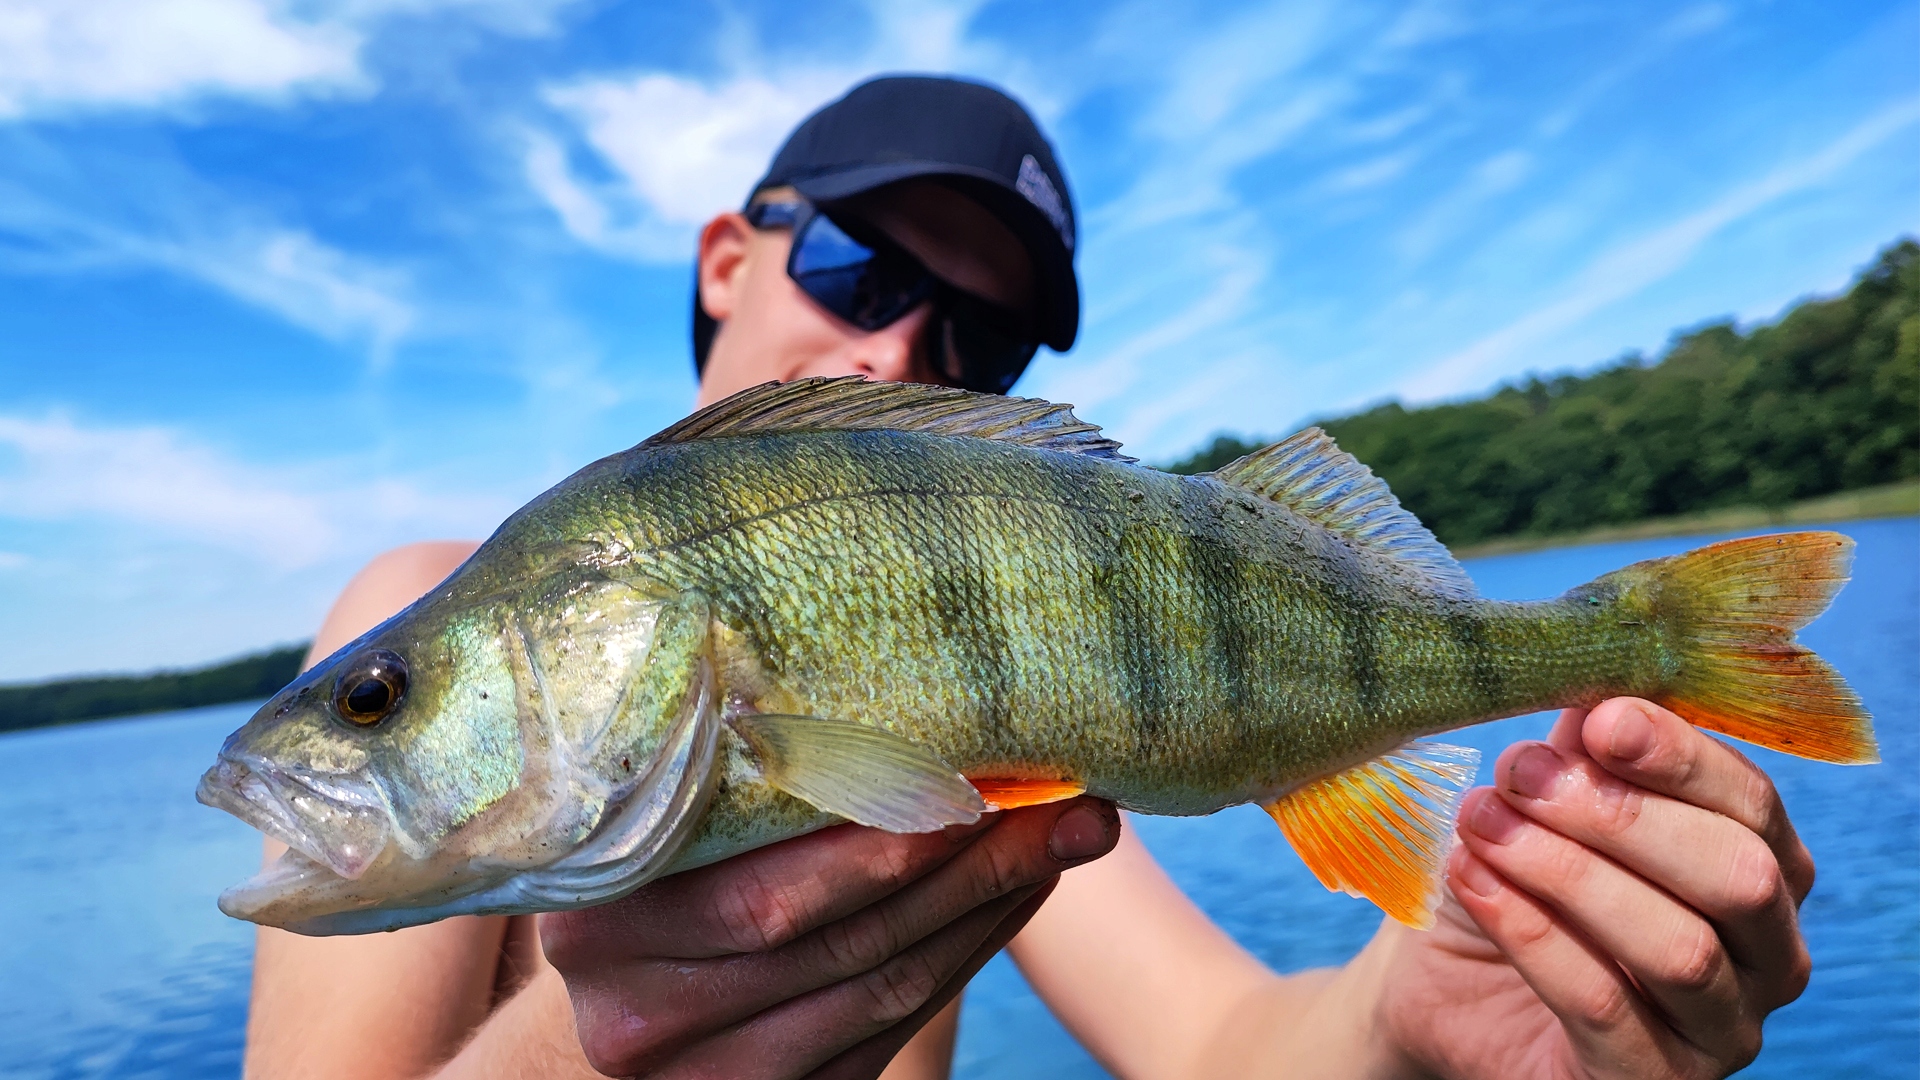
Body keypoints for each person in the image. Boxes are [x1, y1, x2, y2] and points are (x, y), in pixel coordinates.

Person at [245, 77, 1815, 1080]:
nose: (902, 350)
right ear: (727, 259)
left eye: (982, 338)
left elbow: (1220, 1044)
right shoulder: (430, 587)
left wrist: (1420, 1022)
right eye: (861, 268)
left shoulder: (1012, 769)